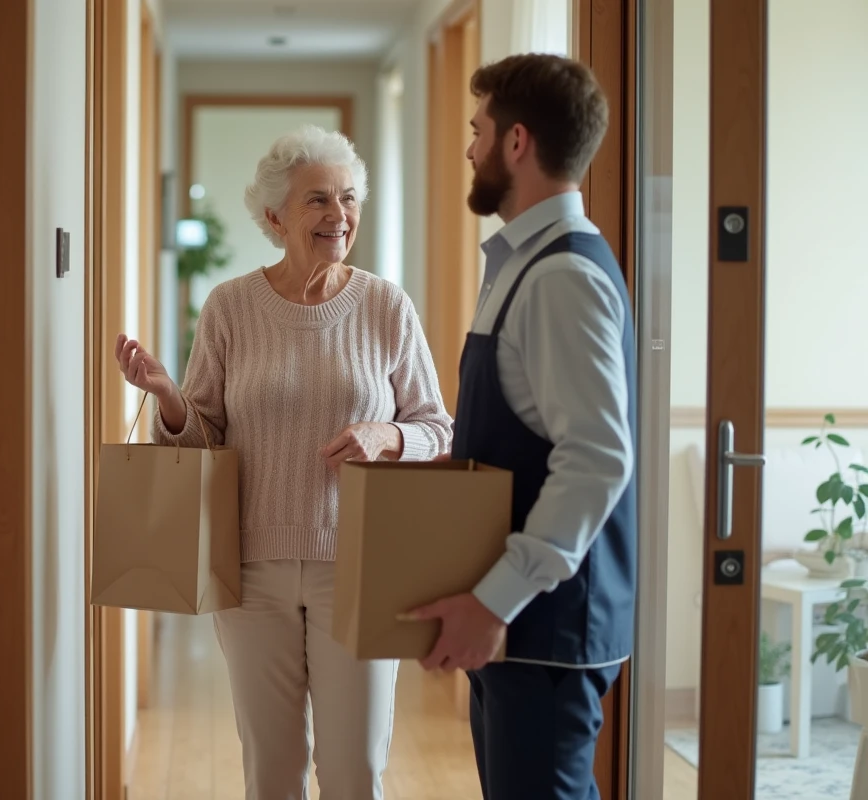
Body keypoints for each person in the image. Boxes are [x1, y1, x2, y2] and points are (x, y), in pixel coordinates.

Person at [115, 124, 453, 800]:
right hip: (250, 571)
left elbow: (438, 428)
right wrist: (169, 398)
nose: (339, 215)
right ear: (274, 216)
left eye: (349, 198)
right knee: (271, 771)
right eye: (318, 200)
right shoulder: (231, 307)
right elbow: (201, 439)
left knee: (356, 768)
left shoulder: (386, 306)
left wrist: (387, 437)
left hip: (361, 568)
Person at [403, 54, 637, 800]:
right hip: (522, 633)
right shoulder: (523, 264)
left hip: (547, 632)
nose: (469, 148)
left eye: (478, 130)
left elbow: (597, 459)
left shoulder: (560, 278)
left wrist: (495, 599)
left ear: (515, 142)